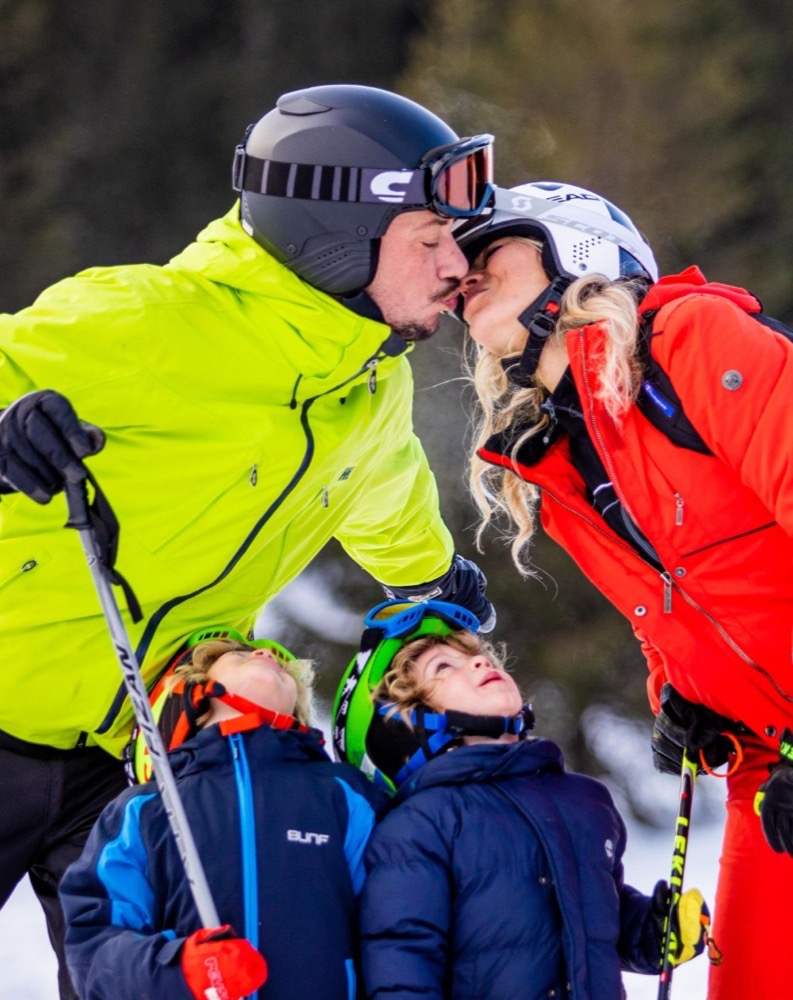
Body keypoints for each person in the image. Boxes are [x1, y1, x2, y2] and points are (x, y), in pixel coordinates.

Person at [0, 83, 497, 996]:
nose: (453, 268)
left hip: (140, 742)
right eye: (428, 241)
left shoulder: (366, 384)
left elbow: (381, 493)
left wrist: (433, 577)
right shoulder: (143, 321)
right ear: (332, 237)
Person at [453, 180, 793, 1000]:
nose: (461, 271)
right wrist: (688, 693)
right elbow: (672, 602)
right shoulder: (553, 454)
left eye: (488, 249)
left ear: (576, 252)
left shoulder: (692, 341)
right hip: (769, 767)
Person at [332, 599, 714, 998]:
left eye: (475, 655)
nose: (479, 663)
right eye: (443, 667)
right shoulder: (422, 826)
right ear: (406, 723)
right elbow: (403, 971)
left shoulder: (584, 800)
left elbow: (597, 921)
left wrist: (652, 931)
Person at [60, 627, 387, 1000]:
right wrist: (179, 971)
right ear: (193, 693)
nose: (268, 656)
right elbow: (94, 949)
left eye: (284, 668)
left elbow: (392, 927)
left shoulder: (345, 794)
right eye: (241, 655)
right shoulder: (145, 810)